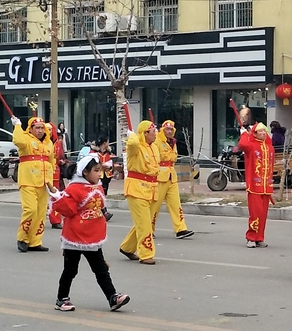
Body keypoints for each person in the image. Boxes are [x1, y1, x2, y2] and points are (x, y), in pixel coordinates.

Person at [51, 156, 130, 312]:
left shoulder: (97, 187)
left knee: (100, 269)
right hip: (74, 236)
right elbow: (69, 211)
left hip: (92, 237)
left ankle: (112, 297)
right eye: (96, 170)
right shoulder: (74, 188)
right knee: (71, 270)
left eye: (99, 170)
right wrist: (58, 197)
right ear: (85, 172)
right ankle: (61, 298)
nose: (99, 174)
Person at [11, 116, 57, 252]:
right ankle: (23, 238)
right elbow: (17, 141)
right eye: (37, 128)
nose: (40, 130)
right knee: (30, 210)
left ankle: (35, 241)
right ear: (30, 129)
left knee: (41, 213)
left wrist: (51, 179)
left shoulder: (49, 143)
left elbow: (51, 160)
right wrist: (17, 126)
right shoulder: (25, 139)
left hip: (44, 182)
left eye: (42, 127)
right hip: (28, 180)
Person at [118, 120, 160, 264]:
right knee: (144, 224)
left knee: (144, 222)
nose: (156, 133)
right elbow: (133, 143)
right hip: (137, 189)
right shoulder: (135, 148)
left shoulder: (154, 147)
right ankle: (146, 254)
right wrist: (132, 135)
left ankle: (127, 248)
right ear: (145, 133)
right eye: (153, 131)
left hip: (152, 189)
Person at [155, 119, 194, 239]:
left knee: (176, 204)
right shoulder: (156, 140)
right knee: (155, 205)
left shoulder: (173, 142)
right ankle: (148, 229)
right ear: (162, 129)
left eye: (171, 129)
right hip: (159, 176)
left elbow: (173, 157)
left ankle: (181, 229)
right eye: (167, 129)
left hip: (172, 176)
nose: (169, 131)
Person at [239, 121, 275, 248]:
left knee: (263, 215)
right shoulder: (251, 146)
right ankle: (251, 237)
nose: (263, 133)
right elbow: (242, 144)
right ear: (254, 134)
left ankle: (259, 237)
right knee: (255, 213)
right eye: (260, 131)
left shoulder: (269, 146)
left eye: (264, 131)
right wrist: (244, 134)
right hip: (254, 186)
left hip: (266, 186)